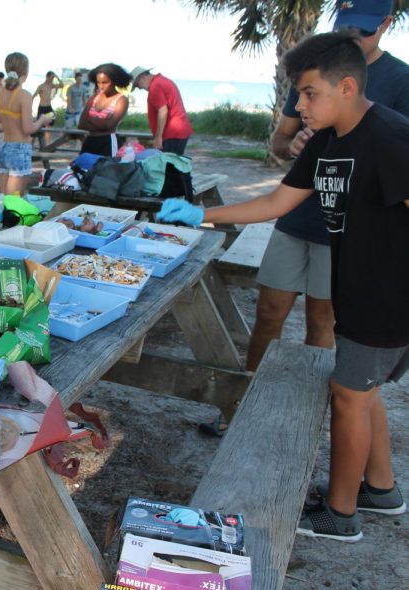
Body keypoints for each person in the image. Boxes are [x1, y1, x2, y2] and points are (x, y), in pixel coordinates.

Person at [156, 31, 409, 542]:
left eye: (309, 93)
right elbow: (275, 204)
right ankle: (380, 490)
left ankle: (339, 516)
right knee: (362, 389)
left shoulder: (389, 137)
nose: (299, 105)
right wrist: (200, 215)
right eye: (298, 94)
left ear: (346, 86)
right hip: (357, 291)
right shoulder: (329, 140)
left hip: (388, 296)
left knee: (348, 396)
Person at [200, 0, 409, 438]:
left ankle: (310, 422)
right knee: (270, 312)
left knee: (329, 337)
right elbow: (279, 162)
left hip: (360, 248)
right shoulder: (314, 73)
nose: (354, 34)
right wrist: (200, 214)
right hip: (301, 220)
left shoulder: (397, 92)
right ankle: (242, 401)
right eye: (346, 26)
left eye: (363, 29)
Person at [0, 52, 52, 196]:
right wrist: (42, 120)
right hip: (19, 148)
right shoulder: (24, 95)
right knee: (14, 202)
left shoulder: (0, 93)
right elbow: (27, 129)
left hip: (3, 146)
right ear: (26, 71)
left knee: (4, 200)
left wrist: (11, 125)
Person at [130, 66, 193, 155]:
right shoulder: (161, 80)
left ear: (142, 78)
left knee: (169, 165)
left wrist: (158, 137)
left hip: (172, 133)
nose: (139, 88)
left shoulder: (155, 86)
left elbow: (163, 110)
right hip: (178, 130)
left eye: (137, 85)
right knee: (175, 163)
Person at [77, 63, 131, 157]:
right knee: (82, 169)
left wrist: (90, 119)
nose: (101, 86)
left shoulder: (121, 100)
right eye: (98, 82)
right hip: (89, 140)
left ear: (114, 81)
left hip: (108, 142)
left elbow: (109, 125)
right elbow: (81, 124)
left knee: (107, 169)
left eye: (105, 82)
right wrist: (102, 122)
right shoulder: (94, 97)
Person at [33, 70, 60, 145]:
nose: (52, 79)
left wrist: (56, 77)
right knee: (39, 126)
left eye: (53, 78)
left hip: (49, 107)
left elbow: (62, 85)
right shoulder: (41, 86)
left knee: (49, 126)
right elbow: (33, 96)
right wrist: (30, 108)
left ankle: (48, 144)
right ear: (47, 77)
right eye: (51, 78)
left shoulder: (52, 86)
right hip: (42, 107)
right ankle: (32, 143)